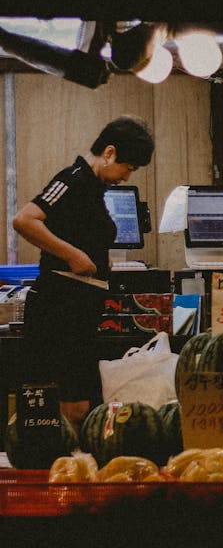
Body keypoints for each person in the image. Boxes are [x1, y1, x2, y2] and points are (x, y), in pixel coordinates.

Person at [13, 116, 155, 433]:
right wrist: (72, 254)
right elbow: (24, 220)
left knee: (79, 403)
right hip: (60, 307)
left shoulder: (93, 189)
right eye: (127, 167)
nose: (127, 175)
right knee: (70, 406)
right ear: (109, 152)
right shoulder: (72, 179)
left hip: (79, 311)